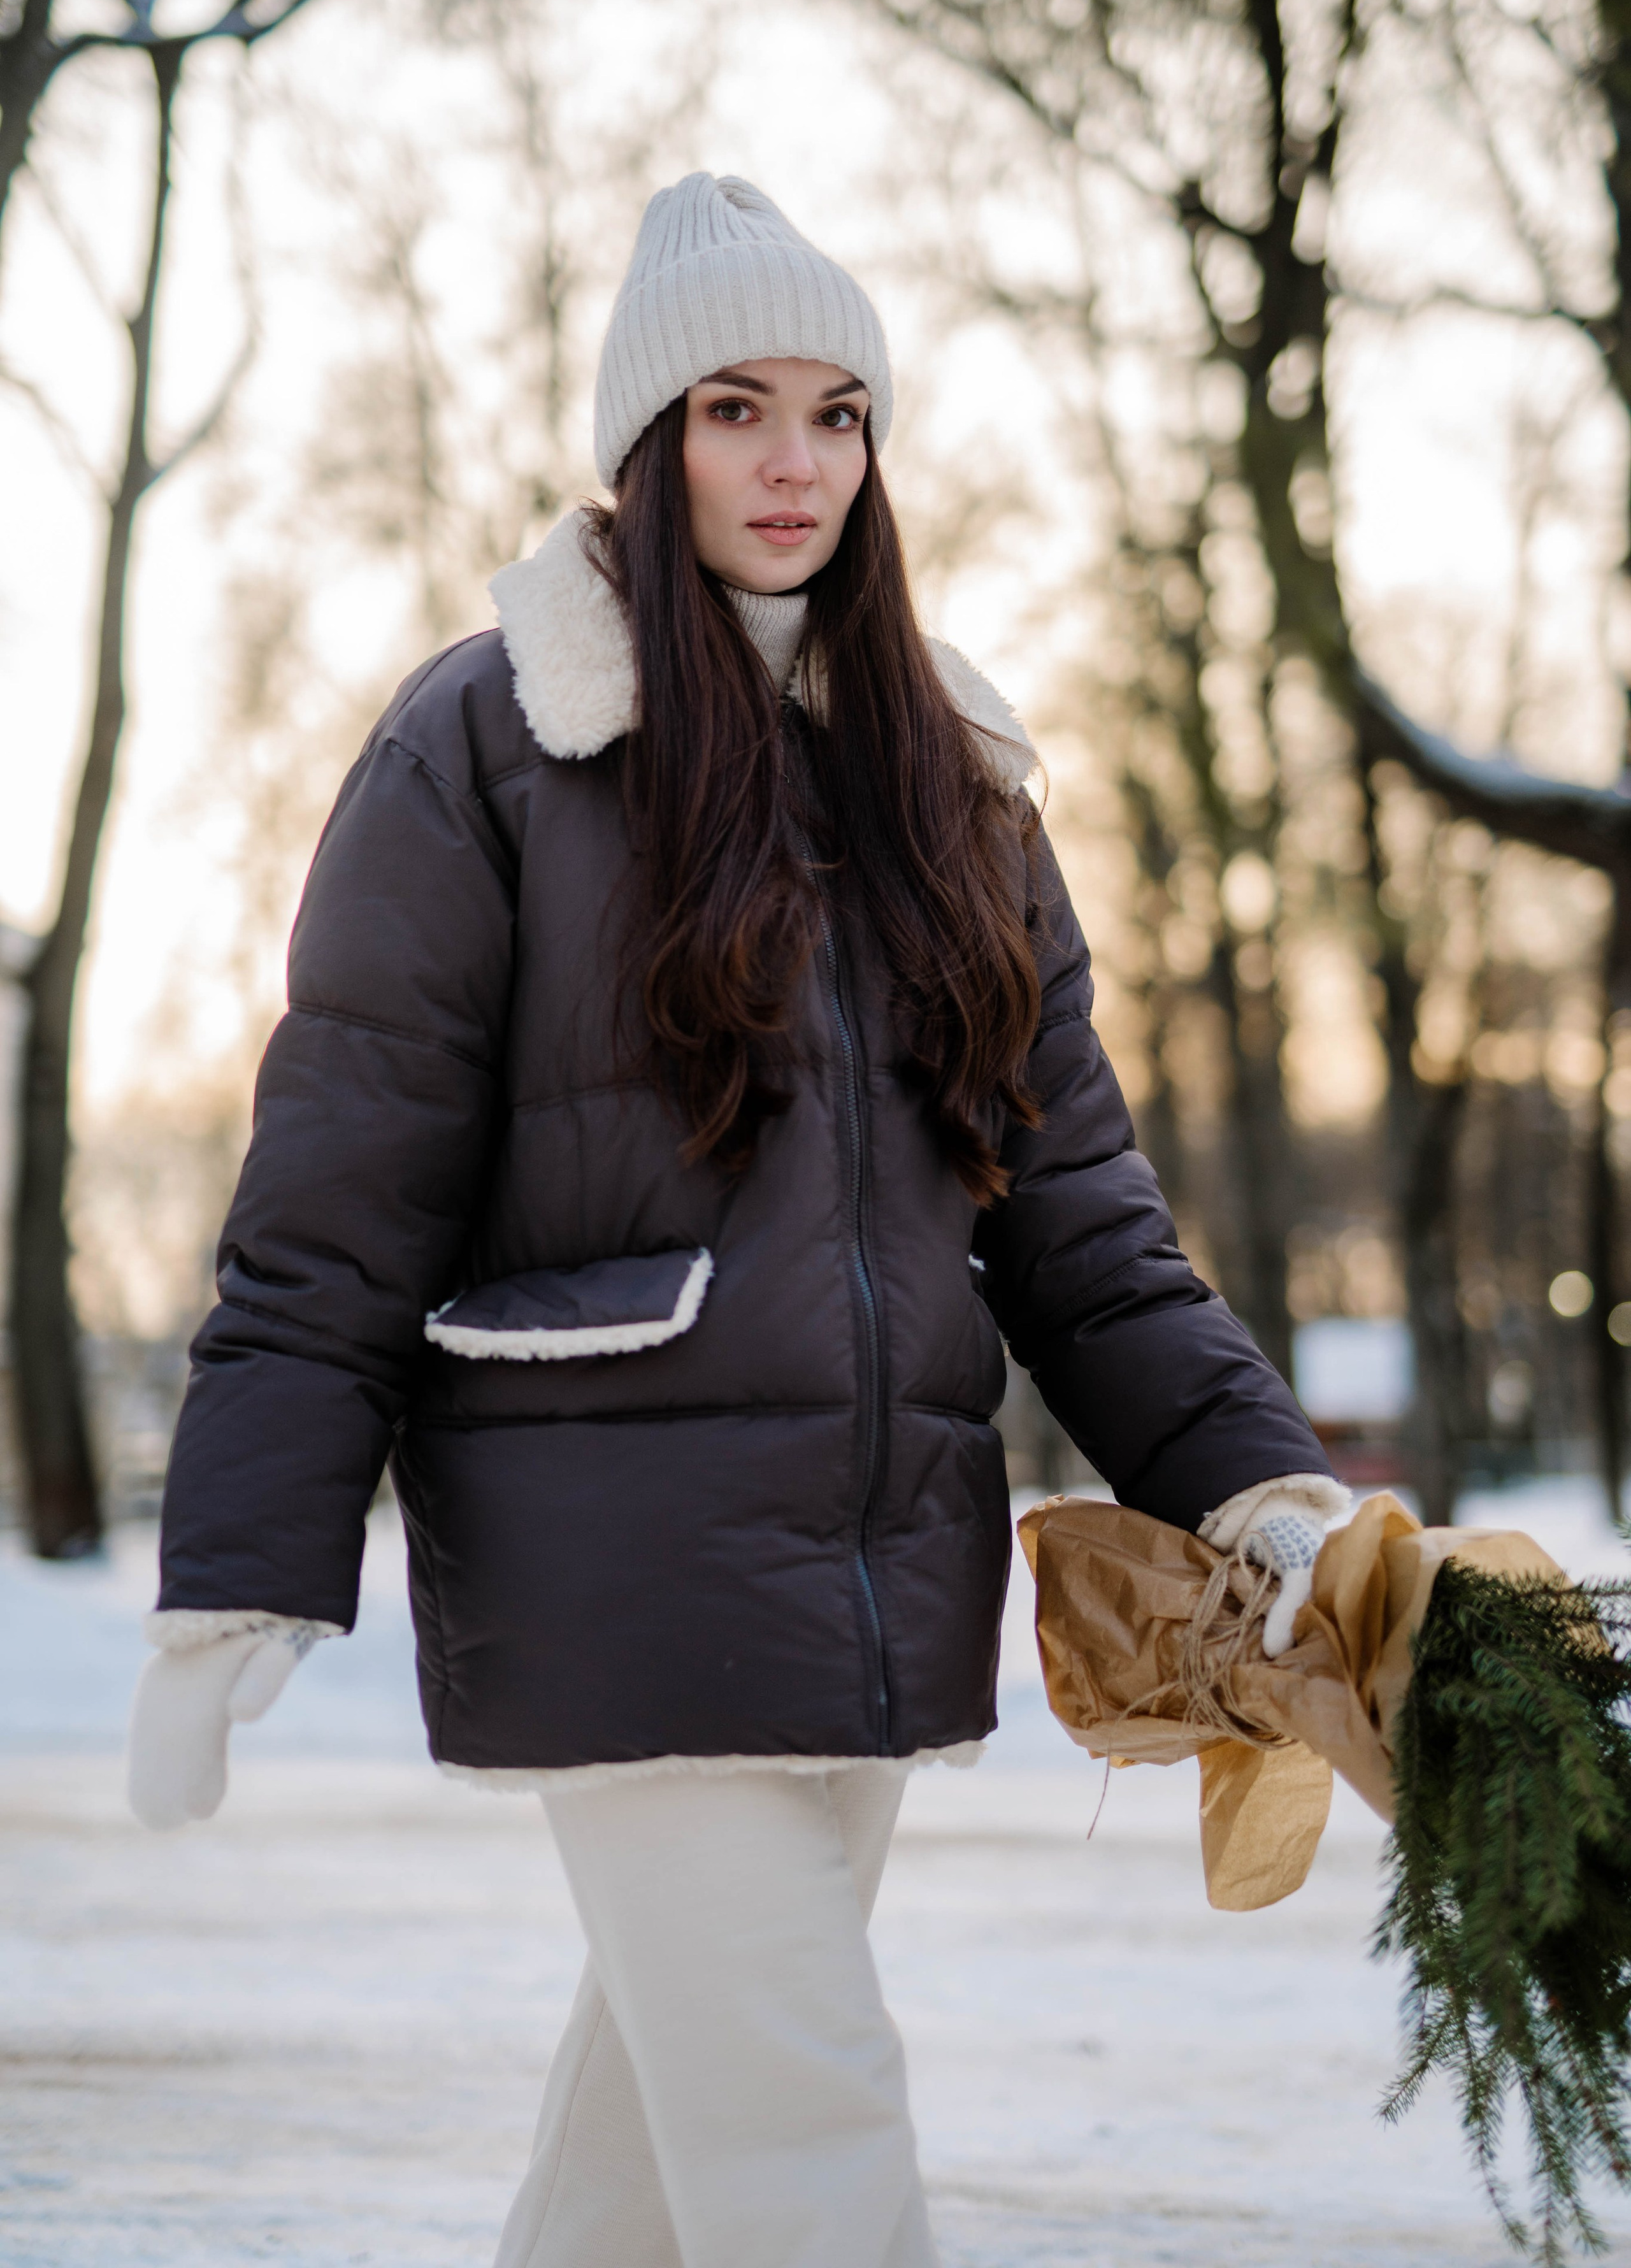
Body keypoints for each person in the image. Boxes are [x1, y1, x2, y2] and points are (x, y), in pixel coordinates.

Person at [127, 172, 1347, 2268]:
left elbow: (1075, 1218)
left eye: (840, 414)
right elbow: (339, 1194)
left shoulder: (954, 778)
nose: (796, 464)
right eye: (735, 408)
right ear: (646, 437)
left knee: (650, 2167)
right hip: (619, 1553)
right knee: (807, 2139)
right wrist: (244, 1554)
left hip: (876, 1568)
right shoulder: (487, 745)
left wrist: (1261, 1483)